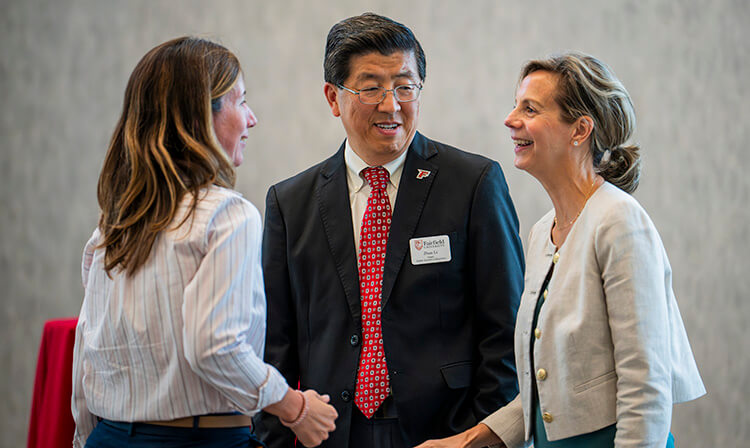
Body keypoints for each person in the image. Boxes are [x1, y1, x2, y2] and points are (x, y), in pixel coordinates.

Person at [255, 12, 524, 448]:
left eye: (405, 85)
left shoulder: (473, 183)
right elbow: (274, 345)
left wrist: (479, 435)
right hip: (330, 432)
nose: (391, 104)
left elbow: (506, 332)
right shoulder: (290, 203)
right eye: (371, 87)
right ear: (332, 97)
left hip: (446, 431)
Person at [415, 52, 706, 448]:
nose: (510, 119)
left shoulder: (619, 221)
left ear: (580, 129)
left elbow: (646, 386)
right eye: (516, 104)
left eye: (530, 108)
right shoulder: (540, 233)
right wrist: (469, 440)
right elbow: (546, 389)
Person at [70, 36, 337, 448]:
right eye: (241, 101)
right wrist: (295, 407)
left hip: (108, 437)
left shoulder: (111, 228)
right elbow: (214, 347)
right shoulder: (227, 216)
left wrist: (85, 439)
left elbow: (86, 361)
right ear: (201, 116)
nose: (252, 119)